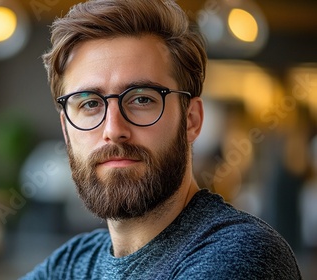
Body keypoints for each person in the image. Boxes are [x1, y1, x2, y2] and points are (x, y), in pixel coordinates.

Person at [21, 0, 302, 279]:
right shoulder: (71, 264)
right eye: (90, 104)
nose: (113, 129)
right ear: (66, 129)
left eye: (142, 99)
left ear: (191, 120)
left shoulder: (242, 253)